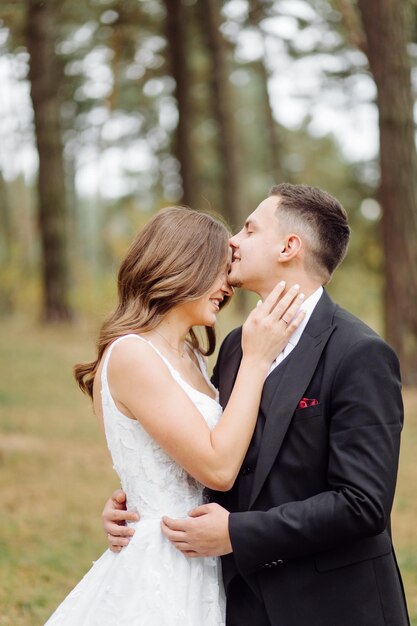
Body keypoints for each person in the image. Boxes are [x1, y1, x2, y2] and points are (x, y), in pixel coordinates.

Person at [103, 184, 410, 626]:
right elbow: (211, 447)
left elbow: (363, 504)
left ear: (289, 247)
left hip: (334, 605)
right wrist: (139, 505)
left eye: (249, 228)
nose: (232, 241)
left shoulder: (359, 353)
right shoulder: (233, 347)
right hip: (239, 602)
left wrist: (236, 533)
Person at [44, 206, 305, 626]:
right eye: (220, 271)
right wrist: (257, 360)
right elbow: (218, 468)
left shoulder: (191, 356)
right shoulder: (132, 353)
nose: (228, 286)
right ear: (185, 266)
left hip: (202, 556)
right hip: (163, 562)